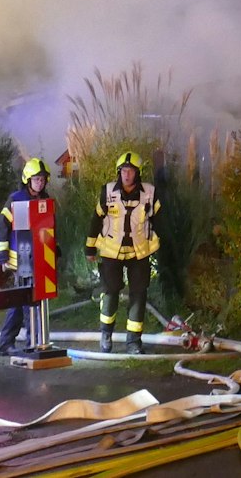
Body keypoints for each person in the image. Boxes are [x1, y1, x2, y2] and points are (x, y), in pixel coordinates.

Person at [86, 151, 160, 354]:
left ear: (138, 173)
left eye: (131, 171)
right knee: (110, 292)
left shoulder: (150, 194)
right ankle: (106, 335)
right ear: (119, 172)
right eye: (123, 171)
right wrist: (90, 248)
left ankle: (133, 342)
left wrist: (161, 249)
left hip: (139, 253)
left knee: (139, 294)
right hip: (111, 252)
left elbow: (160, 222)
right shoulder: (108, 192)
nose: (127, 175)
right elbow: (96, 220)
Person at [0, 158, 50, 356]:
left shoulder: (45, 200)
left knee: (19, 302)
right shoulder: (16, 199)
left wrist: (53, 248)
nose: (40, 183)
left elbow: (46, 229)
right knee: (28, 301)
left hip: (39, 260)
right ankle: (31, 343)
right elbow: (1, 225)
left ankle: (6, 343)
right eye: (36, 179)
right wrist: (1, 254)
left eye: (42, 179)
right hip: (21, 261)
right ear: (27, 179)